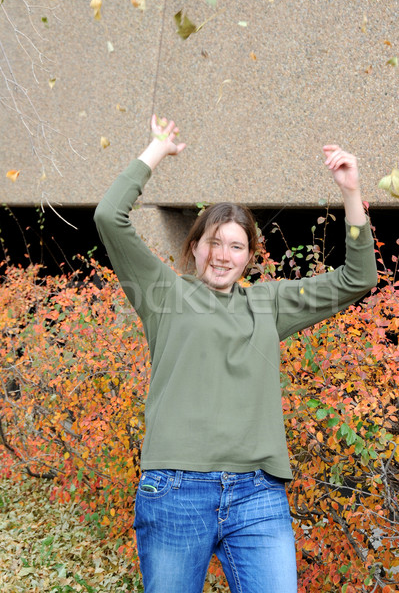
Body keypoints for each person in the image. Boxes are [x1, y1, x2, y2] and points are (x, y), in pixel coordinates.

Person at [94, 115, 377, 593]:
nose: (223, 255)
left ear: (250, 256)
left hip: (258, 493)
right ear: (195, 247)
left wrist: (351, 192)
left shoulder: (267, 304)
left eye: (236, 246)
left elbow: (357, 279)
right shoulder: (163, 292)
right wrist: (157, 151)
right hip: (176, 489)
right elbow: (108, 216)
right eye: (214, 243)